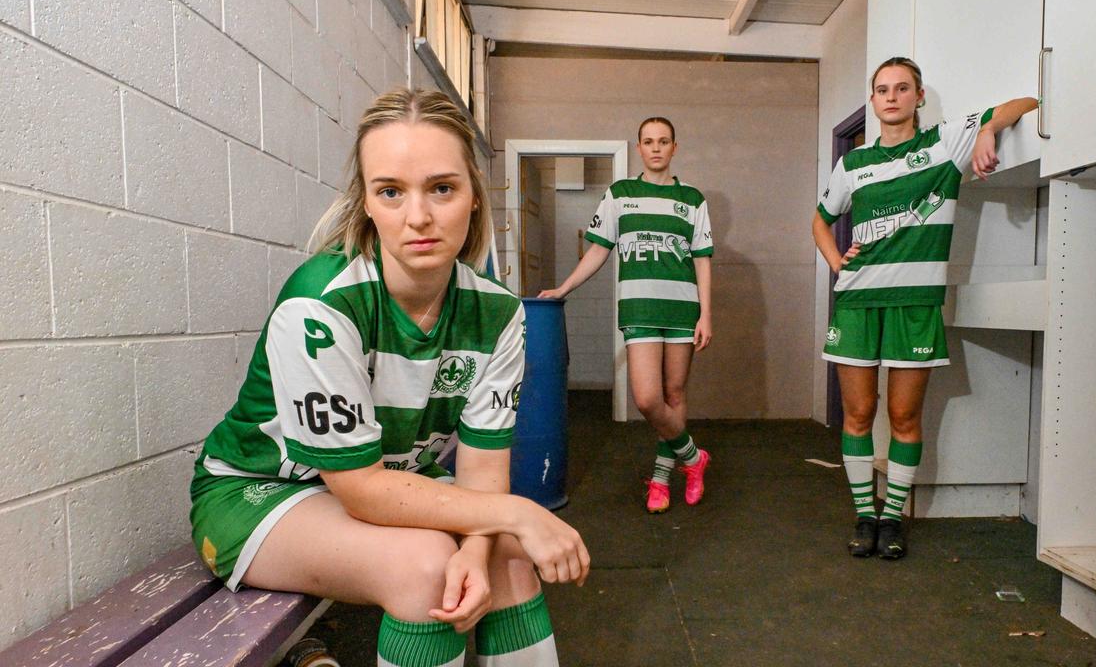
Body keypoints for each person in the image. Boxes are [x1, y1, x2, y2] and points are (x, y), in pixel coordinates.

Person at [189, 89, 589, 667]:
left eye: (442, 188)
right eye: (391, 192)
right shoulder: (322, 304)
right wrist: (520, 513)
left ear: (474, 196)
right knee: (424, 568)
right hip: (261, 491)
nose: (419, 216)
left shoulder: (499, 313)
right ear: (367, 204)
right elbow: (360, 488)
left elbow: (481, 476)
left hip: (386, 484)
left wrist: (481, 549)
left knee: (509, 556)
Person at [813, 57, 1038, 559]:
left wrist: (987, 131)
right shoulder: (852, 164)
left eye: (901, 88)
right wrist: (837, 263)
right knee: (858, 412)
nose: (890, 97)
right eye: (881, 90)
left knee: (903, 414)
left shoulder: (943, 143)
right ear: (872, 102)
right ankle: (864, 514)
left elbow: (1028, 103)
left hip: (915, 303)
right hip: (856, 302)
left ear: (918, 98)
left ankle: (892, 518)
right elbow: (820, 220)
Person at [538, 117, 713, 514]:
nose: (656, 148)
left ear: (674, 147)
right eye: (648, 141)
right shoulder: (621, 194)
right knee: (648, 398)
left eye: (663, 141)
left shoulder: (693, 199)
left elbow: (702, 260)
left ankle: (662, 479)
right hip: (640, 308)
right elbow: (599, 248)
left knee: (674, 394)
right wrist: (565, 287)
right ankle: (693, 458)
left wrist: (707, 315)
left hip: (683, 309)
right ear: (639, 148)